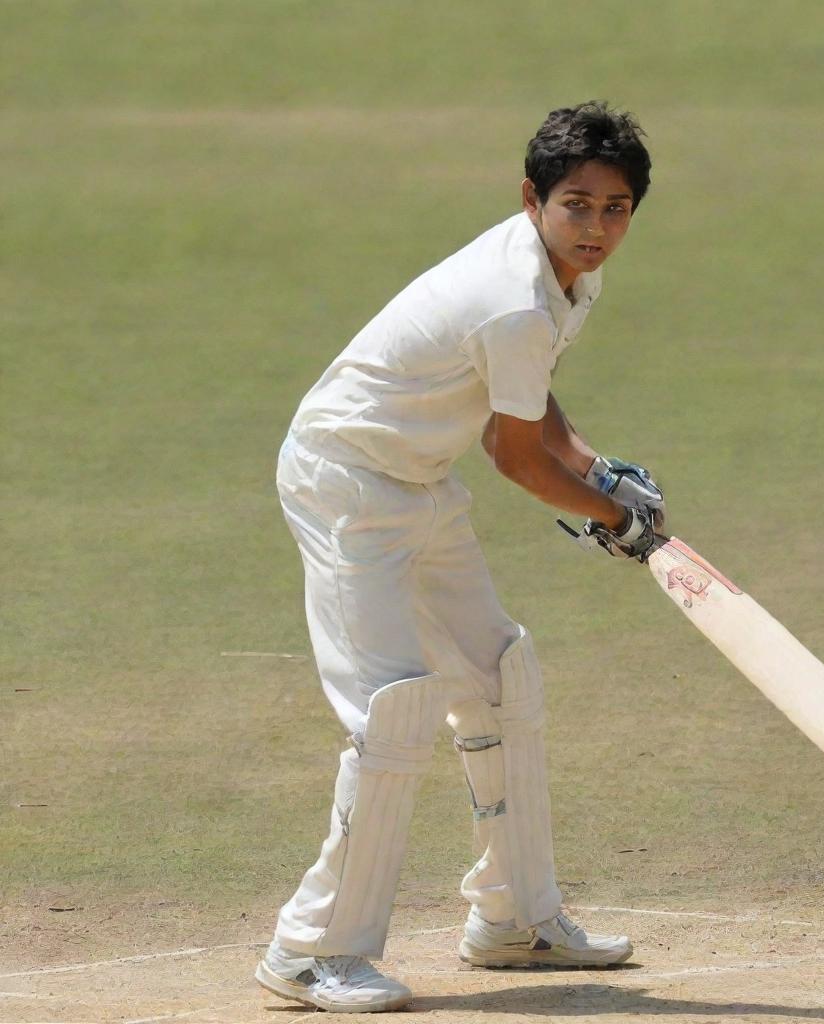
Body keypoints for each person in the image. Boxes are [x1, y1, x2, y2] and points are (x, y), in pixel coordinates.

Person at [256, 100, 665, 1013]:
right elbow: (513, 454)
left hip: (416, 481)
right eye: (577, 204)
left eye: (616, 208)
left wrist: (601, 472)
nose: (597, 226)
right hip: (348, 482)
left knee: (496, 677)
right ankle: (309, 951)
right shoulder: (515, 296)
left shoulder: (563, 274)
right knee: (394, 711)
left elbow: (527, 396)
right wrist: (612, 518)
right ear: (533, 198)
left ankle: (514, 920)